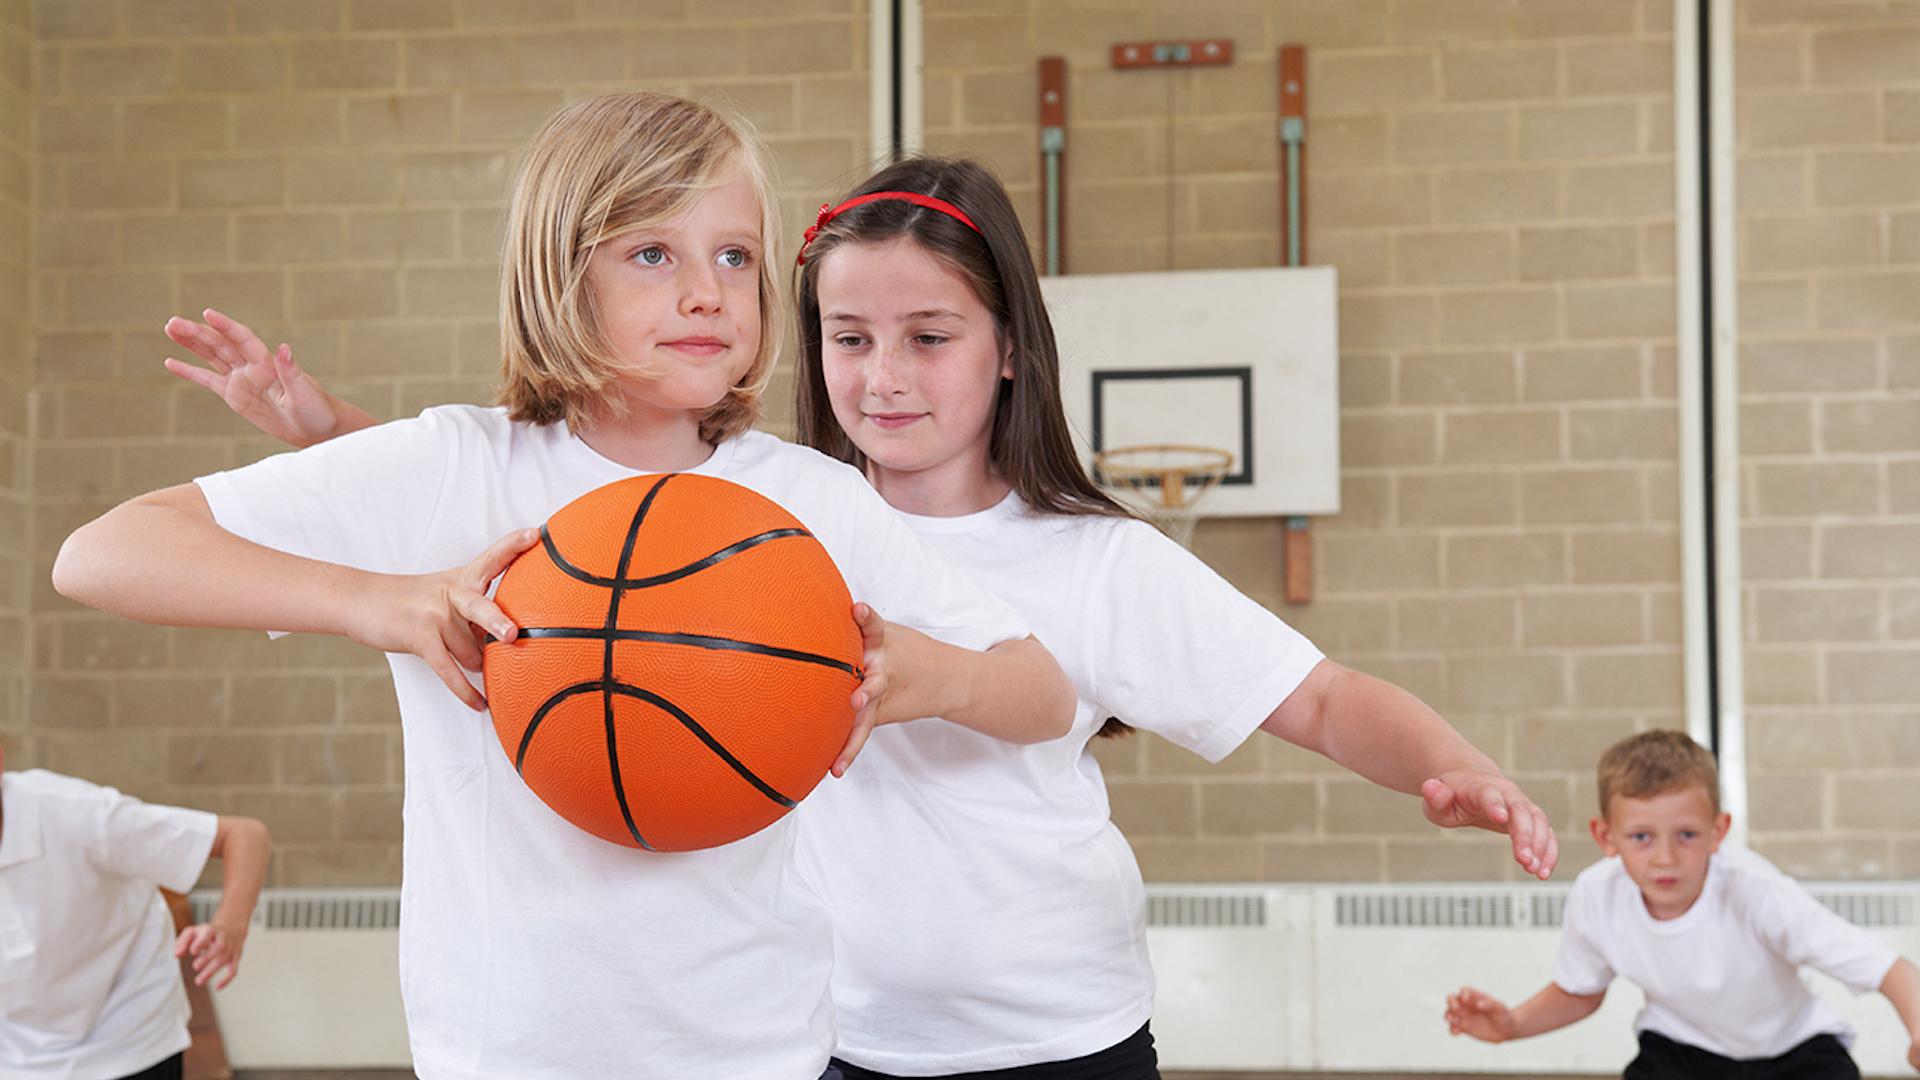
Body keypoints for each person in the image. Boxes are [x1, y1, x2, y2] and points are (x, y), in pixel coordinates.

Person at [167, 154, 1560, 1080]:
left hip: (1054, 1036)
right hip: (836, 1039)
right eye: (847, 339)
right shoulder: (751, 526)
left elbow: (1313, 696)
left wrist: (1462, 768)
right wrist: (327, 441)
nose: (882, 377)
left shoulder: (1088, 563)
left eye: (928, 338)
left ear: (1010, 346)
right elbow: (574, 554)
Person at [52, 95, 1073, 1080]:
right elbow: (104, 552)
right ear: (556, 275)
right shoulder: (452, 467)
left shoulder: (810, 497)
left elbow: (1043, 691)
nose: (706, 292)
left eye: (734, 257)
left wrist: (925, 675)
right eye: (650, 255)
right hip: (509, 1048)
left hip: (761, 1047)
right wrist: (383, 604)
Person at [1445, 730, 1920, 1078]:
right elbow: (1580, 990)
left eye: (1687, 835)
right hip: (1681, 1052)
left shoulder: (1756, 891)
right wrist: (1510, 1024)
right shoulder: (1597, 895)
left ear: (1719, 831)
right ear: (1605, 836)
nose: (1665, 857)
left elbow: (1888, 968)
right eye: (1642, 837)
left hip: (1794, 1053)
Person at [0, 740, 270, 1080]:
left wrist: (229, 925)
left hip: (129, 1036)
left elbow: (245, 835)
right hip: (20, 1053)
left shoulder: (75, 813)